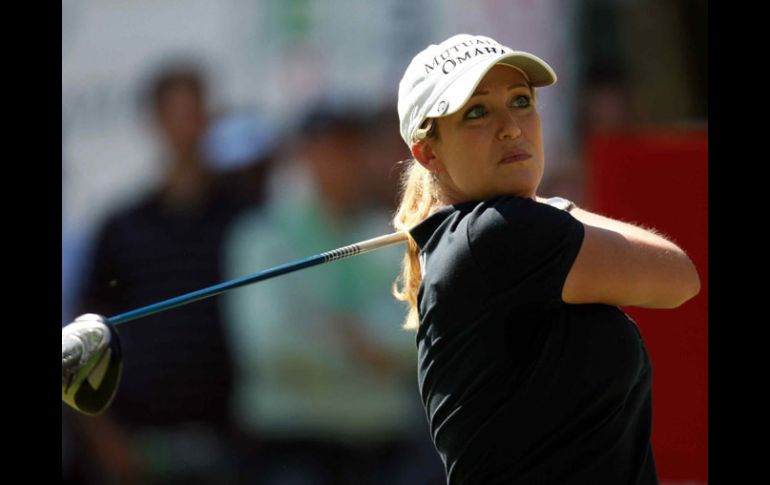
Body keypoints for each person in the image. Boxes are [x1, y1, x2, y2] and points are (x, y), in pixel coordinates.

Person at [391, 34, 701, 484]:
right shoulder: (497, 233)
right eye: (476, 111)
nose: (511, 127)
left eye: (521, 101)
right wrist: (552, 205)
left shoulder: (484, 235)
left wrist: (546, 205)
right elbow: (677, 275)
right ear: (428, 152)